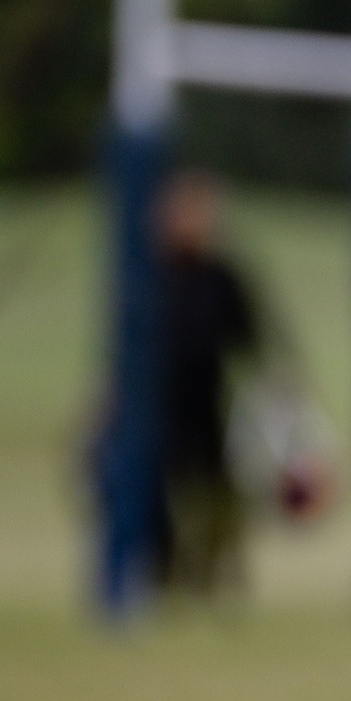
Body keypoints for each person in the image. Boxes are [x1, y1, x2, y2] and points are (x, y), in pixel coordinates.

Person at [156, 171, 260, 595]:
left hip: (209, 407)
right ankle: (162, 571)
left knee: (222, 497)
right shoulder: (151, 275)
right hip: (159, 407)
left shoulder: (222, 277)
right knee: (155, 493)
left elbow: (251, 341)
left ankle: (209, 573)